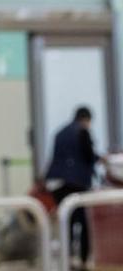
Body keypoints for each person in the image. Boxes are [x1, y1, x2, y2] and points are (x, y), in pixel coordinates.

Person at [46, 106, 104, 268]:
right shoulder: (82, 131)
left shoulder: (60, 132)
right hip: (75, 182)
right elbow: (88, 155)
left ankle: (69, 257)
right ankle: (83, 260)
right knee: (82, 221)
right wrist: (100, 160)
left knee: (67, 220)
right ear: (86, 119)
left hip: (56, 183)